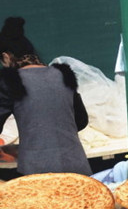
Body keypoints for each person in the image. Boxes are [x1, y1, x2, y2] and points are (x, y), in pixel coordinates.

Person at [0, 16, 92, 176]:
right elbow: (81, 120)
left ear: (6, 57)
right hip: (77, 167)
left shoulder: (11, 80)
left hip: (37, 171)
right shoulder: (63, 74)